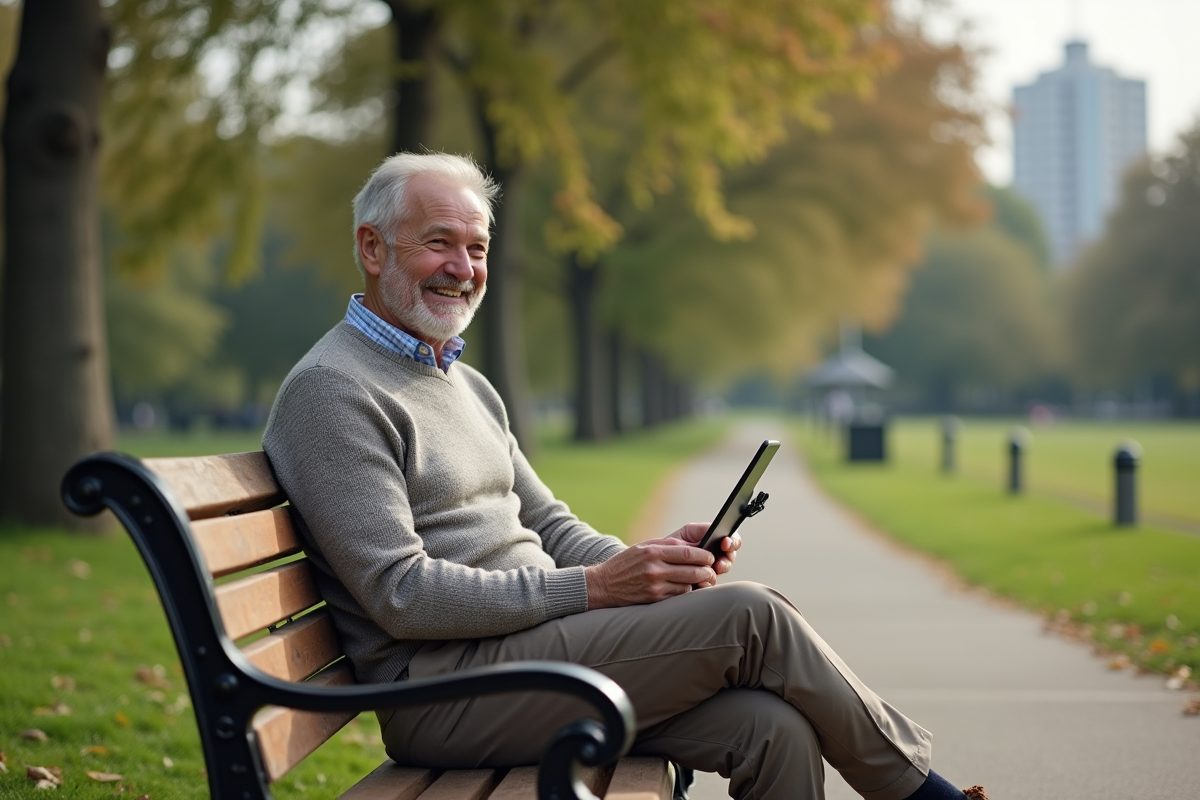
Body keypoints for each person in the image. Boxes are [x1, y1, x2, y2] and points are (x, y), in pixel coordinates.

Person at [262, 152, 987, 800]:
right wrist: (598, 589)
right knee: (751, 615)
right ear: (372, 247)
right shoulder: (333, 390)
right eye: (439, 243)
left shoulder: (467, 384)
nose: (464, 267)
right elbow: (402, 594)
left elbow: (547, 524)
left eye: (477, 247)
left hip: (529, 659)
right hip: (447, 692)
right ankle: (926, 797)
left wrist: (651, 565)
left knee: (773, 730)